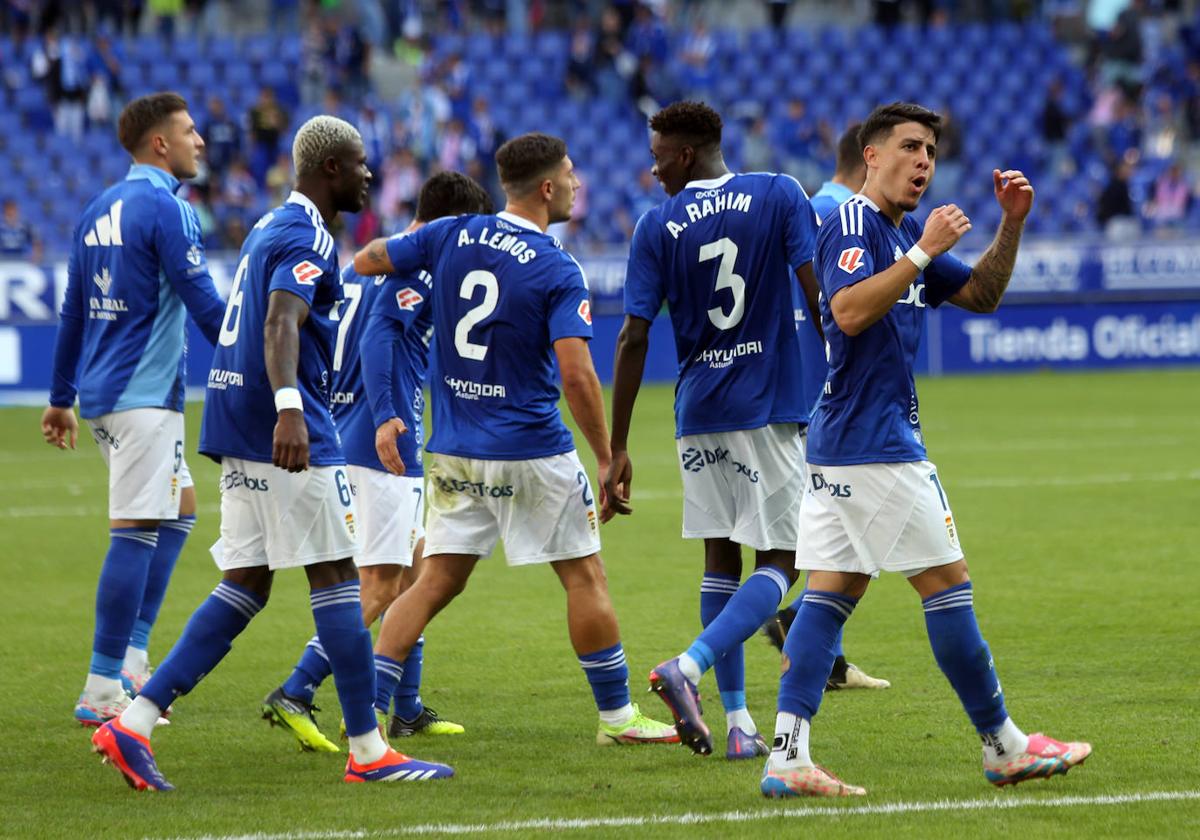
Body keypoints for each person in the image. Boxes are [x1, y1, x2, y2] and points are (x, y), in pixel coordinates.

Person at [90, 116, 453, 791]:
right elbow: (280, 318)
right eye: (361, 163)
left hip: (235, 420)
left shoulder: (267, 226)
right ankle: (370, 751)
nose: (371, 175)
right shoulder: (305, 233)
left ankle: (133, 722)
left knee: (246, 584)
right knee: (340, 578)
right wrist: (290, 408)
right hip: (285, 427)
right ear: (331, 171)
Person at [761, 102, 1091, 798]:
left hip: (841, 445)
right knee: (946, 585)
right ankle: (1003, 745)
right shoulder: (853, 223)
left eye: (932, 153)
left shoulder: (899, 229)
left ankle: (788, 757)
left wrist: (1012, 223)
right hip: (877, 448)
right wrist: (921, 253)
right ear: (870, 155)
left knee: (829, 595)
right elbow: (845, 311)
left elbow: (981, 294)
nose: (924, 162)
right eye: (909, 147)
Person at [352, 132, 677, 749]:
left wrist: (362, 270)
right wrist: (607, 457)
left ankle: (367, 716)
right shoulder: (556, 266)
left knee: (433, 581)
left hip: (452, 448)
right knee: (585, 576)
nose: (580, 185)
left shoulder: (451, 233)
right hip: (530, 450)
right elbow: (576, 371)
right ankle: (617, 719)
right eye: (573, 175)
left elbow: (371, 258)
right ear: (548, 187)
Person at [606, 101, 872, 761]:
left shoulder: (656, 225)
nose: (653, 165)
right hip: (767, 405)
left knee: (719, 561)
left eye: (660, 153)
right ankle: (688, 667)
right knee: (782, 562)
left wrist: (617, 445)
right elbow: (819, 290)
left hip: (698, 413)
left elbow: (634, 334)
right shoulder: (779, 192)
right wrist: (845, 362)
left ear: (688, 154)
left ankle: (737, 723)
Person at [262, 172, 492, 751]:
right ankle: (297, 687)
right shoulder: (411, 272)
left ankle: (407, 707)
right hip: (382, 443)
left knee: (417, 574)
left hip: (350, 431)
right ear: (446, 225)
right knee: (382, 586)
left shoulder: (369, 265)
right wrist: (390, 414)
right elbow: (379, 342)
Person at [42, 92, 227, 728]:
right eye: (189, 131)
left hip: (102, 396)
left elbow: (72, 312)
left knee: (180, 507)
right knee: (135, 529)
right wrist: (254, 371)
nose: (199, 141)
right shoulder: (168, 208)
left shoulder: (97, 209)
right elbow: (203, 301)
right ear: (160, 144)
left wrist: (60, 398)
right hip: (143, 399)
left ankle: (132, 656)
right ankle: (102, 685)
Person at [761, 124, 890, 693]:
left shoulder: (813, 207)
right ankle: (799, 639)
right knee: (860, 536)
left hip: (812, 385)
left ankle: (826, 658)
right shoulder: (850, 214)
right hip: (840, 393)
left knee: (847, 542)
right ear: (869, 161)